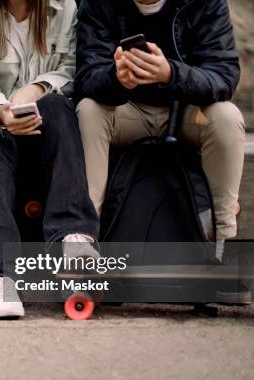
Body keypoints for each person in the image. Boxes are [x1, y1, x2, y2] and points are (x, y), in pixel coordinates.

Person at [0, 0, 99, 319]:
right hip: (1, 126)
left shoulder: (64, 9)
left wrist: (36, 89)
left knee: (59, 109)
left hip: (51, 133)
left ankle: (74, 240)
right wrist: (3, 112)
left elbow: (73, 68)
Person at [75, 0, 245, 246]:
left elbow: (224, 76)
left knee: (227, 117)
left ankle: (222, 238)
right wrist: (117, 78)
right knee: (88, 111)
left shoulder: (206, 2)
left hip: (186, 111)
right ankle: (88, 239)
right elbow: (86, 77)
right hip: (126, 110)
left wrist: (171, 74)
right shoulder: (98, 4)